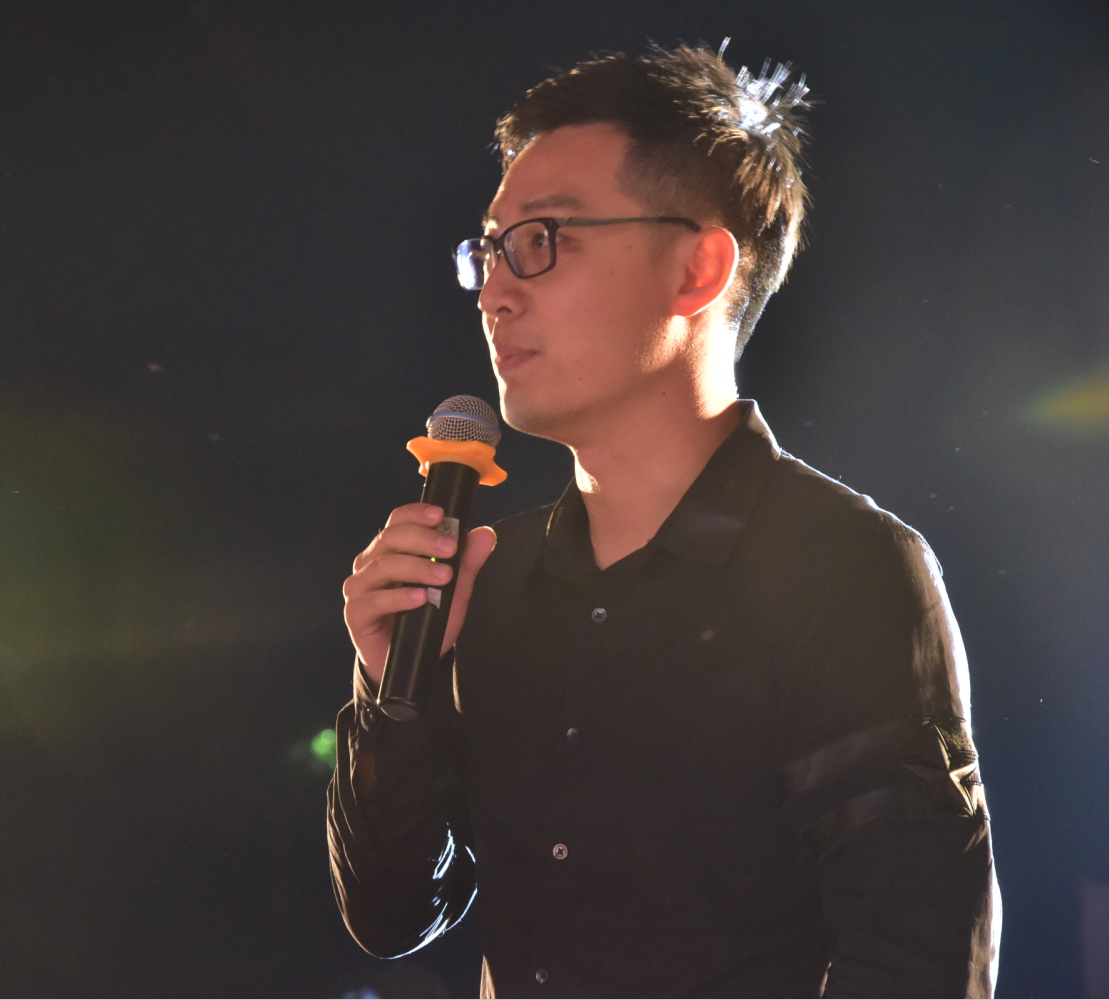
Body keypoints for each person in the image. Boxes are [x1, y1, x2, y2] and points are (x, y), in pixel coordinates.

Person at [328, 43, 1000, 998]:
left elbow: (914, 959)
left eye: (540, 240)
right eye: (489, 250)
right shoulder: (492, 577)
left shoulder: (842, 567)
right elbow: (393, 914)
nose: (496, 292)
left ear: (697, 268)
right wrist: (392, 691)